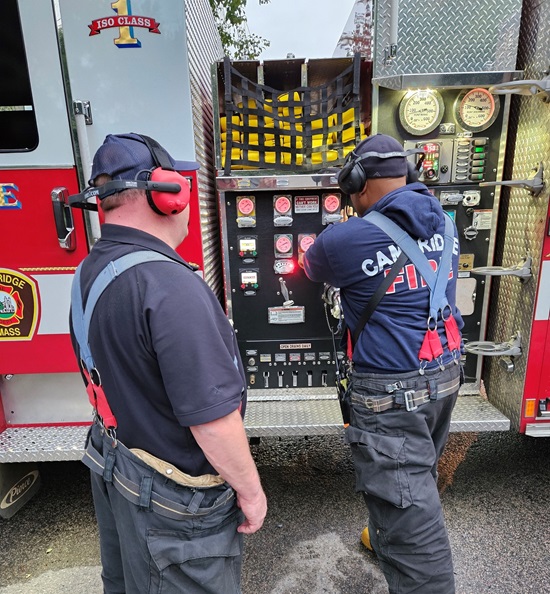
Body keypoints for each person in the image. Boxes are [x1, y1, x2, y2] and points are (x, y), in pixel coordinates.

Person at [68, 133, 267, 594]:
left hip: (118, 467)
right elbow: (212, 422)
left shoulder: (90, 269)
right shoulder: (170, 287)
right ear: (168, 194)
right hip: (173, 506)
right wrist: (251, 492)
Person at [303, 134, 463, 594]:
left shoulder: (345, 239)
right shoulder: (446, 223)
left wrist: (343, 231)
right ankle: (389, 528)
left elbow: (310, 267)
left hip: (392, 396)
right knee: (416, 473)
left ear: (356, 183)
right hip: (444, 377)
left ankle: (404, 543)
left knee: (415, 537)